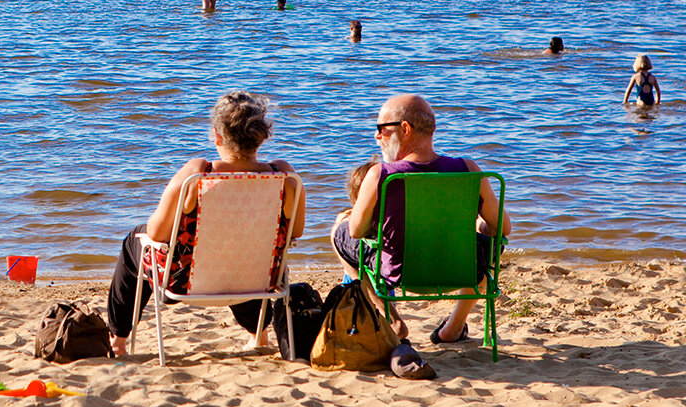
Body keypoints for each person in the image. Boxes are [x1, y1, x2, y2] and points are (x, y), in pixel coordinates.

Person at [107, 91, 305, 356]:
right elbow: (297, 231)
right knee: (244, 244)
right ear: (260, 136)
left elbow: (156, 232)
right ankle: (259, 334)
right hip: (258, 280)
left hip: (185, 282)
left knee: (137, 238)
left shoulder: (197, 173)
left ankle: (118, 341)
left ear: (218, 135)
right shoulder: (284, 176)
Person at [329, 94, 511, 343]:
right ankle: (454, 327)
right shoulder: (468, 169)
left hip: (400, 273)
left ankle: (391, 318)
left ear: (405, 129)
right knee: (490, 241)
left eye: (381, 129)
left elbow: (356, 231)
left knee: (339, 232)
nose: (377, 136)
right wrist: (480, 225)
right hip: (461, 270)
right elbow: (503, 227)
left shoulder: (381, 174)